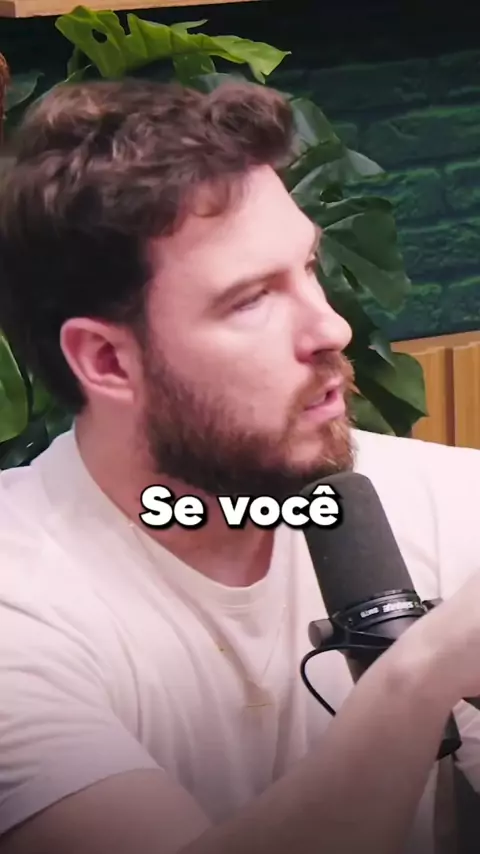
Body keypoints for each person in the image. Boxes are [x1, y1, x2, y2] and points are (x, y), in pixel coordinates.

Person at [0, 77, 480, 854]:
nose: (331, 330)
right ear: (108, 362)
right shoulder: (20, 596)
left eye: (309, 269)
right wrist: (421, 673)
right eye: (251, 299)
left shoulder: (447, 503)